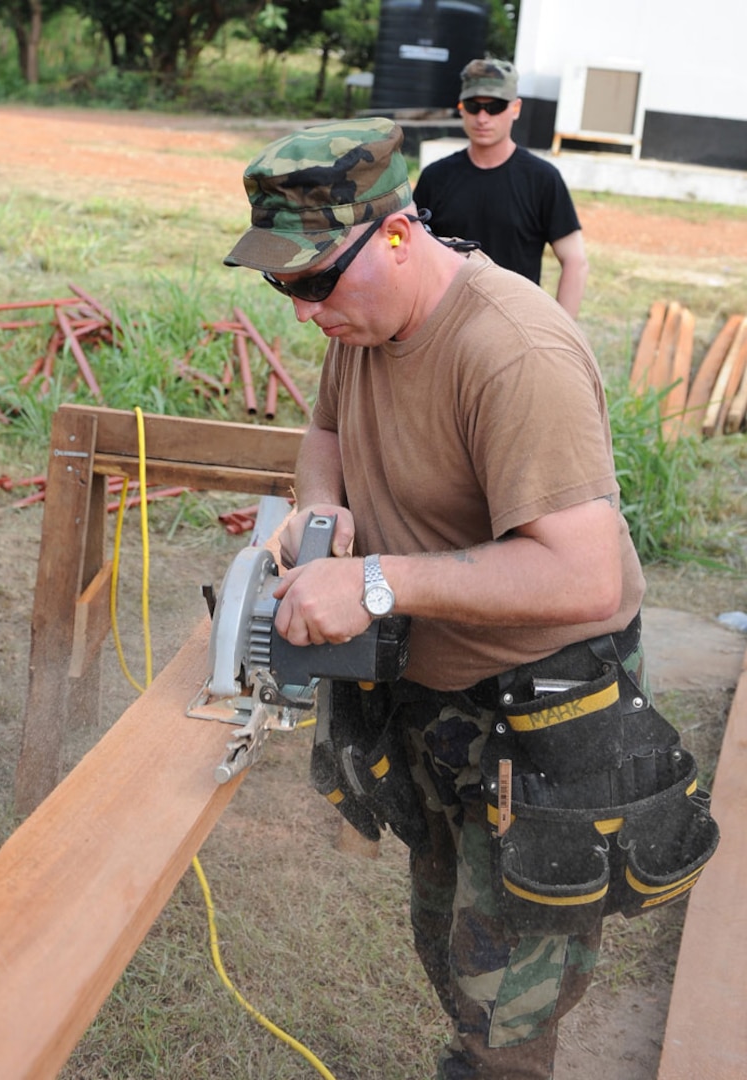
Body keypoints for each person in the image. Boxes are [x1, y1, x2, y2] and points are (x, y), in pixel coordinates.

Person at [223, 118, 716, 1080]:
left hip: (544, 704)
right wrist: (324, 515)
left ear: (400, 233)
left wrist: (375, 582)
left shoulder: (515, 350)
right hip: (443, 694)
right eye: (282, 283)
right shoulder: (361, 316)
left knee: (512, 992)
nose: (302, 309)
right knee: (447, 931)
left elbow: (585, 574)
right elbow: (325, 431)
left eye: (317, 279)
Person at [413, 58, 589, 318]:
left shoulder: (542, 179)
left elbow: (575, 261)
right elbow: (413, 253)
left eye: (495, 107)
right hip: (446, 325)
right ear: (461, 108)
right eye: (473, 106)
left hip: (516, 323)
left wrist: (562, 335)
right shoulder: (435, 177)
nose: (482, 118)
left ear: (515, 108)